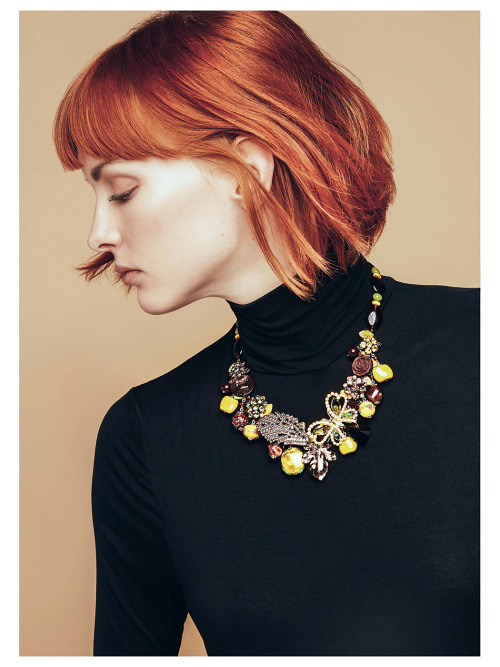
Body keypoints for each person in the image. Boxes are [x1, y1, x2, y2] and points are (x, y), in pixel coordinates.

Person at [52, 10, 479, 657]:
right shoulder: (144, 438)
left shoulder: (478, 350)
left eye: (122, 190)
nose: (98, 235)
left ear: (245, 167)